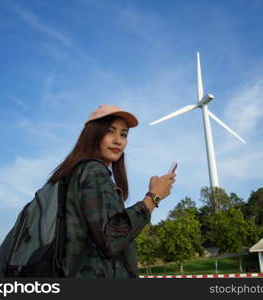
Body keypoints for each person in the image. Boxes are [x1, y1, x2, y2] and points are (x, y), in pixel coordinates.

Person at [46, 104, 176, 278]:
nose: (118, 140)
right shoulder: (92, 170)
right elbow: (111, 240)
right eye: (110, 131)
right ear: (93, 135)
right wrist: (153, 198)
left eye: (123, 134)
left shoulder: (80, 172)